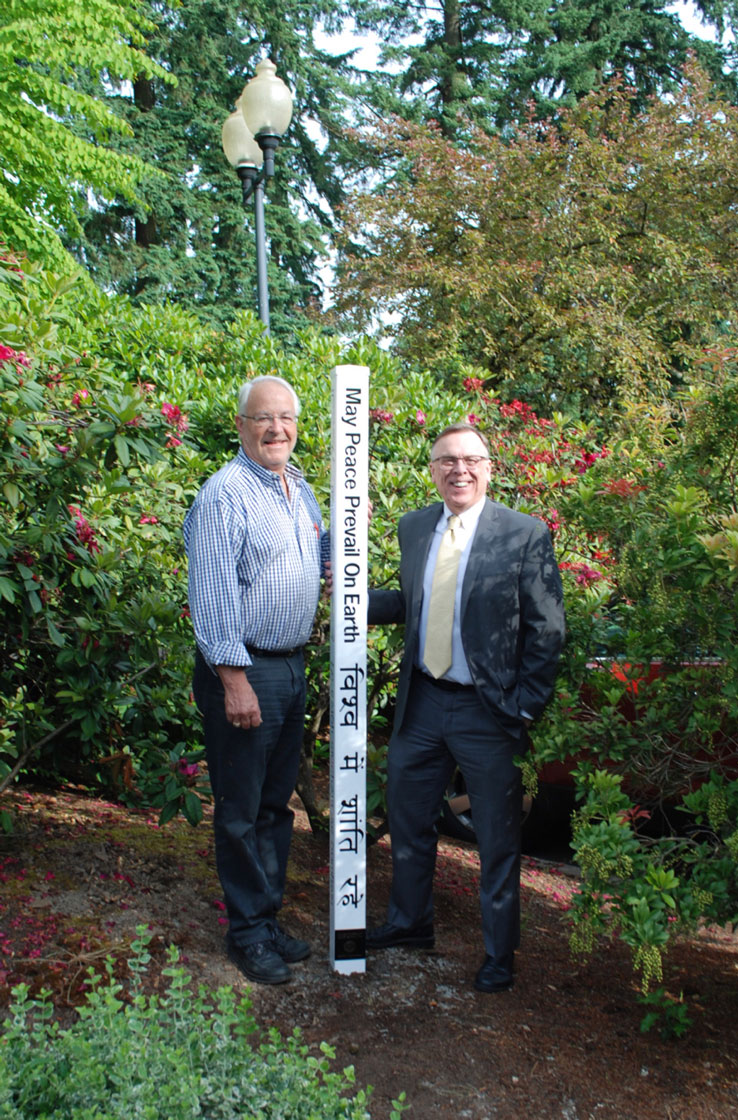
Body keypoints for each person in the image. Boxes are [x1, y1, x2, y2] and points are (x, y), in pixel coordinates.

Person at [367, 423, 565, 992]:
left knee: (498, 840)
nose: (459, 469)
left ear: (488, 466)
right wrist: (351, 594)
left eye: (470, 459)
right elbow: (412, 603)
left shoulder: (523, 535)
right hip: (422, 703)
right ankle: (409, 924)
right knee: (408, 821)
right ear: (432, 469)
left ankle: (499, 955)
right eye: (447, 460)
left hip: (488, 712)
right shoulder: (413, 527)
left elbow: (547, 629)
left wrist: (523, 708)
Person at [184, 374, 329, 985]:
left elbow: (317, 566)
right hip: (244, 668)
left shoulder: (299, 489)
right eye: (262, 418)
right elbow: (213, 595)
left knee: (275, 806)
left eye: (286, 418)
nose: (276, 429)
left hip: (291, 665)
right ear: (241, 426)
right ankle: (246, 933)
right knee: (241, 809)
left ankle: (266, 920)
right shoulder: (225, 495)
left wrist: (347, 528)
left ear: (297, 425)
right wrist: (233, 680)